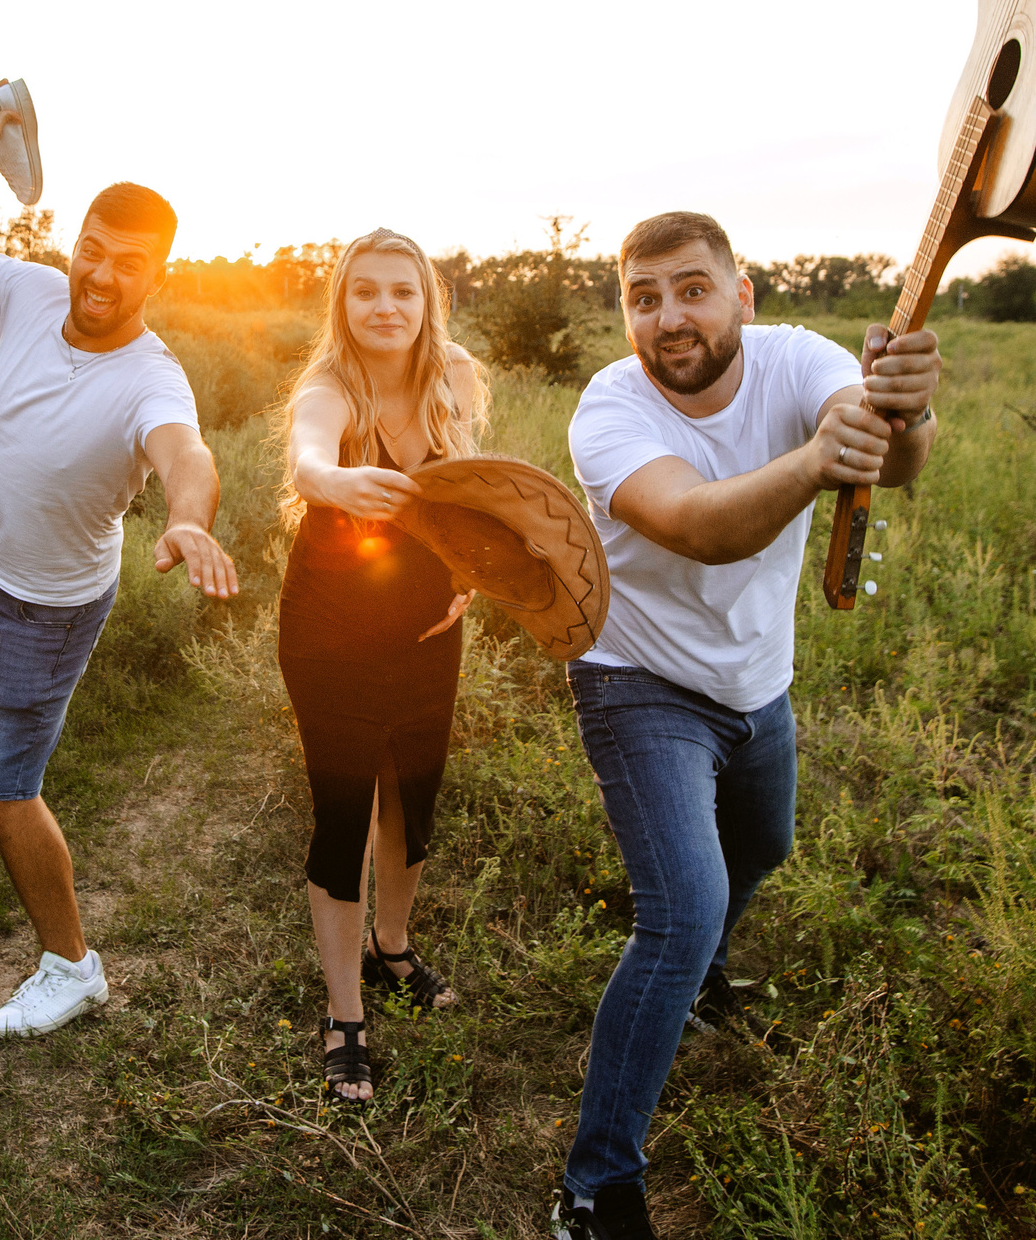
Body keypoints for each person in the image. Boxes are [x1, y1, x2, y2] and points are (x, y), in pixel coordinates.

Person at [550, 212, 944, 1240]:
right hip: (634, 673)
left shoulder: (797, 359)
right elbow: (699, 525)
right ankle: (597, 1184)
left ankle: (697, 972)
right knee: (680, 906)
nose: (669, 316)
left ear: (743, 294)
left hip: (754, 675)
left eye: (692, 288)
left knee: (763, 843)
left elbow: (890, 459)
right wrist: (821, 459)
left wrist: (908, 414)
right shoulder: (608, 406)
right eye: (644, 297)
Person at [0, 85, 241, 1038]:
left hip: (52, 610)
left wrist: (190, 518)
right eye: (92, 247)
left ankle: (71, 966)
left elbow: (185, 453)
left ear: (157, 275)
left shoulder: (152, 377)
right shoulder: (32, 290)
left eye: (128, 264)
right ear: (75, 241)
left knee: (4, 786)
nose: (100, 273)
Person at [278, 229, 489, 1103]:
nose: (384, 307)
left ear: (427, 300)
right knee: (346, 811)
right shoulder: (331, 387)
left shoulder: (458, 378)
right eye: (365, 291)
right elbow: (306, 453)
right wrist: (331, 483)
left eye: (402, 291)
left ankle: (392, 945)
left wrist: (472, 569)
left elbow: (472, 493)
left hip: (430, 629)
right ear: (344, 302)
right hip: (330, 628)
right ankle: (344, 1015)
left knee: (413, 793)